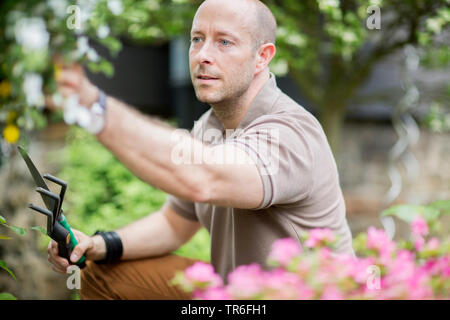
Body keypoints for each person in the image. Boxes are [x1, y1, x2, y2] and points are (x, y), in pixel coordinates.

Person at [47, 0, 354, 300]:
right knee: (101, 273)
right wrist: (99, 245)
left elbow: (205, 179)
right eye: (197, 39)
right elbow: (174, 223)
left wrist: (94, 107)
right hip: (233, 292)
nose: (203, 55)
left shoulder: (291, 132)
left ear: (262, 57)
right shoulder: (209, 126)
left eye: (224, 42)